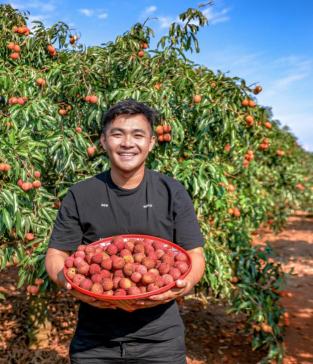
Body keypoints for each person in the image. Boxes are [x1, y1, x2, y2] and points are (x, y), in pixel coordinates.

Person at [45, 98, 206, 363]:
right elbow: (56, 254)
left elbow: (194, 256)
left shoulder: (173, 192)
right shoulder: (80, 194)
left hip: (161, 340)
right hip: (95, 341)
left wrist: (183, 285)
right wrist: (68, 281)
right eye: (117, 134)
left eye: (138, 135)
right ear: (103, 141)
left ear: (152, 142)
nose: (128, 143)